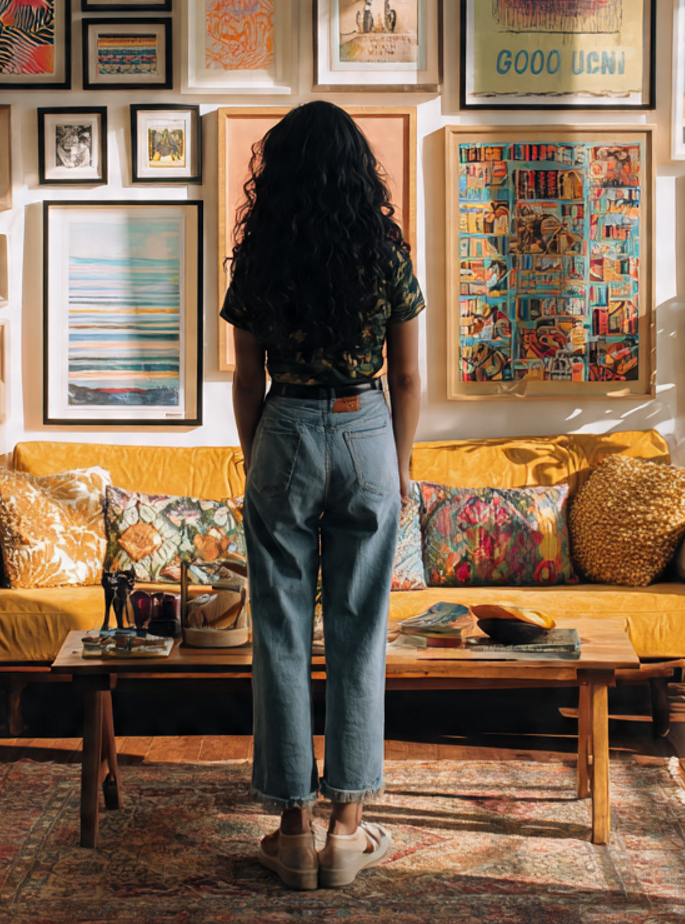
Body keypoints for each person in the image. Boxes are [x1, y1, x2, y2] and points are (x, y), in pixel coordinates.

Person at [221, 101, 424, 892]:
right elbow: (405, 376)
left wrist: (260, 459)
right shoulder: (384, 254)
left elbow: (247, 381)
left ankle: (293, 829)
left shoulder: (259, 258)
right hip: (366, 423)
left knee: (277, 629)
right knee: (359, 629)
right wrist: (398, 468)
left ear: (278, 174)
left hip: (286, 421)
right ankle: (348, 829)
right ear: (355, 170)